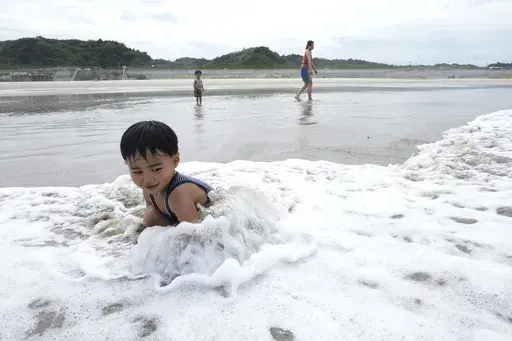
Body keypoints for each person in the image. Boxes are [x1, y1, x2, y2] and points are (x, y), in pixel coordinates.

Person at [120, 120, 213, 229]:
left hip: (210, 219)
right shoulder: (149, 188)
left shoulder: (178, 194)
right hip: (175, 214)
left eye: (156, 169)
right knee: (150, 217)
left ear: (175, 160)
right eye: (137, 172)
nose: (147, 179)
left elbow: (195, 235)